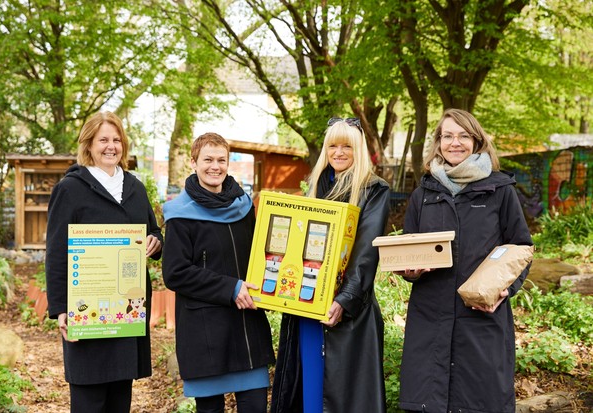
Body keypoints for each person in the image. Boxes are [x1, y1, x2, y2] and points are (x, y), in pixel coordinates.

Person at [396, 109, 533, 413]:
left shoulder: (500, 190)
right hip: (430, 317)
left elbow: (520, 247)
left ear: (476, 140)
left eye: (463, 136)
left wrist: (504, 291)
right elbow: (409, 247)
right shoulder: (423, 194)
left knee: (479, 403)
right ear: (438, 142)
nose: (454, 143)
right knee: (427, 402)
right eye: (447, 136)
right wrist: (411, 270)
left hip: (481, 316)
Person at [271, 117, 391, 413]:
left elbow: (366, 253)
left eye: (346, 146)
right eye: (332, 146)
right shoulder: (316, 188)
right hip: (307, 306)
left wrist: (344, 300)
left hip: (348, 310)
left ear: (358, 149)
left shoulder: (373, 190)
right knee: (310, 392)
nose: (338, 152)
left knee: (343, 397)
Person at [45, 111, 163, 412]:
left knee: (119, 400)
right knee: (89, 398)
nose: (111, 146)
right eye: (103, 140)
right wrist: (60, 309)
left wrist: (156, 241)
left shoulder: (135, 188)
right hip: (87, 311)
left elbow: (153, 231)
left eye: (116, 140)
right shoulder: (70, 189)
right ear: (89, 144)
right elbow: (56, 252)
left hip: (125, 311)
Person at [162, 132, 275, 413]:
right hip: (205, 334)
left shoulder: (244, 206)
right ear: (194, 163)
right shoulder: (179, 213)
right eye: (208, 159)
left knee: (256, 407)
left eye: (221, 160)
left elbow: (260, 255)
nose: (215, 166)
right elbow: (175, 273)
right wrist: (231, 288)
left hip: (246, 328)